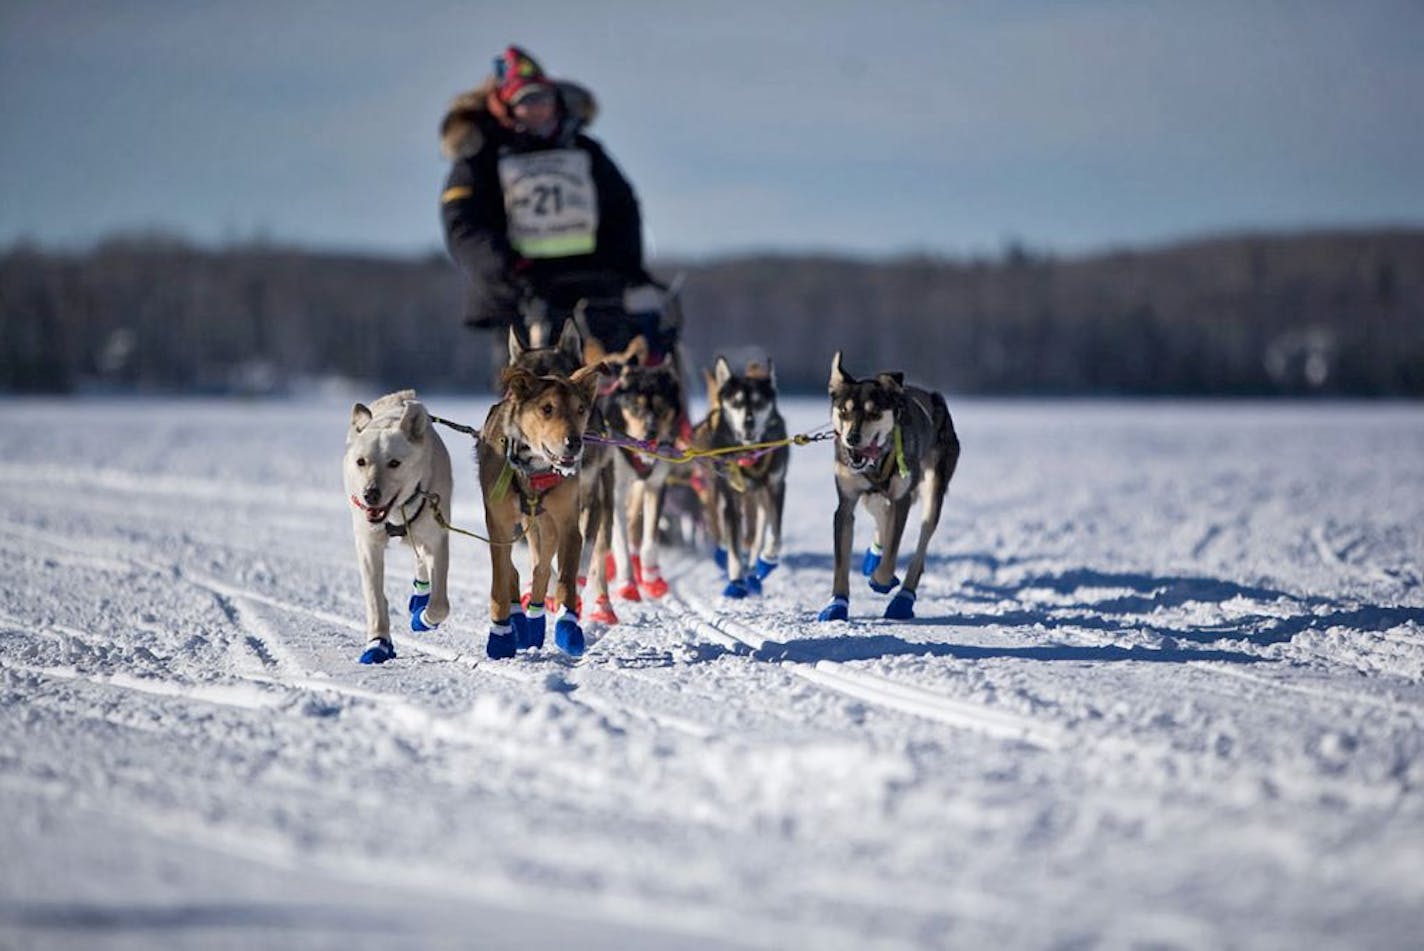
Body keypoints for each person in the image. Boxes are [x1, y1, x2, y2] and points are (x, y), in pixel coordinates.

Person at [439, 46, 670, 370]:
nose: (537, 109)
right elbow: (464, 226)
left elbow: (623, 210)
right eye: (525, 101)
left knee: (608, 386)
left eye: (542, 98)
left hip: (594, 288)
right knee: (531, 400)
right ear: (505, 106)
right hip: (518, 295)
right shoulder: (479, 159)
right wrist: (505, 270)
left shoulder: (585, 150)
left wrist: (623, 269)